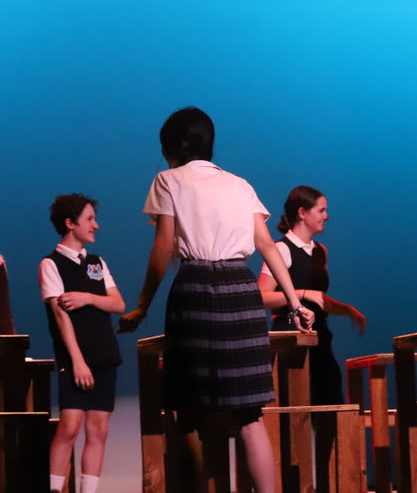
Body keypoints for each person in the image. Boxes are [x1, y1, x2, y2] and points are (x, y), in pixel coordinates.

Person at [119, 107, 314, 493]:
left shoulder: (168, 180)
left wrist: (142, 305)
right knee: (250, 415)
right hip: (241, 289)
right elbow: (266, 245)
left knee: (188, 410)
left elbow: (163, 246)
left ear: (175, 147)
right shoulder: (240, 185)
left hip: (195, 289)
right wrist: (295, 304)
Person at [41, 194, 125, 493]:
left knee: (98, 429)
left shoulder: (96, 263)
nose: (95, 225)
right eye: (89, 219)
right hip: (75, 358)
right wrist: (77, 361)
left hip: (104, 353)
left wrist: (87, 298)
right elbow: (59, 316)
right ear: (70, 223)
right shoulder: (51, 264)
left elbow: (118, 304)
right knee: (70, 426)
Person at [257, 185, 366, 406]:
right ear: (302, 212)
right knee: (295, 405)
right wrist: (301, 294)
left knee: (329, 400)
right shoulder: (283, 249)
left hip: (320, 337)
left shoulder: (320, 251)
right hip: (290, 336)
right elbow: (261, 297)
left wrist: (347, 310)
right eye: (321, 210)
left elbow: (318, 299)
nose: (326, 216)